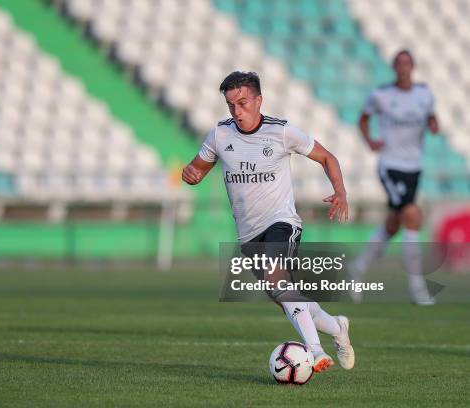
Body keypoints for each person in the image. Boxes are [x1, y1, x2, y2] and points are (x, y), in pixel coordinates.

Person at [182, 71, 354, 373]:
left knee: (278, 281)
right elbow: (197, 169)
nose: (237, 111)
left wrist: (340, 191)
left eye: (243, 103)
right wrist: (191, 174)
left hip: (281, 222)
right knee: (285, 297)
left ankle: (315, 351)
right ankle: (337, 327)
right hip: (248, 236)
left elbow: (328, 157)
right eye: (231, 105)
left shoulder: (282, 132)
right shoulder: (220, 135)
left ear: (259, 100)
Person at [350, 50, 439, 305]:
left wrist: (433, 124)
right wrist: (369, 140)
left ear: (413, 66)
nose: (403, 68)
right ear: (394, 67)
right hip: (390, 165)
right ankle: (417, 288)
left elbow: (431, 117)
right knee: (412, 215)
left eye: (407, 63)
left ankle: (357, 269)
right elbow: (363, 119)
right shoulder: (381, 95)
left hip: (414, 167)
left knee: (393, 223)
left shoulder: (424, 94)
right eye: (399, 63)